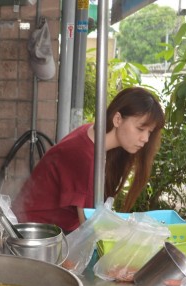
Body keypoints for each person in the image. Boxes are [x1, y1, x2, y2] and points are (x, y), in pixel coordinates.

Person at [12, 87, 165, 233]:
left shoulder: (91, 133)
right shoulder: (84, 156)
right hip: (35, 234)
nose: (145, 139)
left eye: (149, 132)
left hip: (53, 230)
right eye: (140, 129)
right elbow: (90, 227)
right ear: (118, 119)